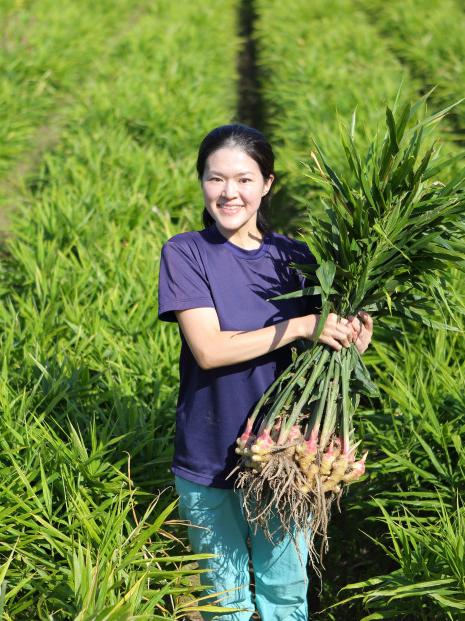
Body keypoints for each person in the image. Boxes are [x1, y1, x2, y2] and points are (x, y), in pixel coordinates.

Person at [157, 124, 372, 620]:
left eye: (244, 179)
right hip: (208, 453)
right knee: (223, 601)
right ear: (201, 182)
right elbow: (208, 350)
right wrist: (299, 326)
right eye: (215, 179)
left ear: (267, 184)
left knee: (285, 595)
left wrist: (355, 336)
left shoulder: (295, 257)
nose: (229, 192)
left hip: (286, 457)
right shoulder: (186, 253)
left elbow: (328, 339)